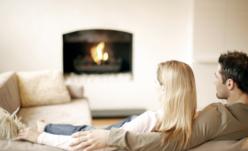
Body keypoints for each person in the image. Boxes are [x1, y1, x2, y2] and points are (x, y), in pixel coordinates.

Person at [67, 51, 248, 151]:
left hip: (145, 128)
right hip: (158, 120)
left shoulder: (217, 116)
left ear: (230, 84)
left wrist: (111, 138)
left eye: (216, 76)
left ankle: (44, 133)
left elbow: (169, 142)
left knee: (89, 131)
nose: (213, 79)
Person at [16, 60, 198, 150]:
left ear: (165, 89)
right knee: (90, 128)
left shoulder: (150, 120)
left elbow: (82, 143)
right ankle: (47, 126)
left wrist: (38, 137)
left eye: (157, 82)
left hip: (135, 125)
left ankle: (44, 127)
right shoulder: (193, 118)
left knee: (86, 130)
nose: (154, 86)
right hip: (134, 124)